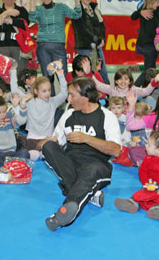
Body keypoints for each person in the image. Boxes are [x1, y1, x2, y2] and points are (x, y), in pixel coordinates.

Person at [42, 77, 121, 231]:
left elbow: (116, 150)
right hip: (71, 164)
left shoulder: (107, 116)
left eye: (72, 95)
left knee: (91, 172)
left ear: (86, 97)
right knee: (49, 147)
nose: (68, 98)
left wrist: (87, 139)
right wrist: (52, 140)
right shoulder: (68, 115)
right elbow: (56, 141)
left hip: (96, 165)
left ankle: (62, 214)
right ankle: (90, 195)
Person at [114, 131, 159, 221]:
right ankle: (133, 203)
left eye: (149, 145)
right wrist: (146, 184)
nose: (146, 146)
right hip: (152, 184)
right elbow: (143, 171)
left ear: (158, 150)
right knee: (142, 193)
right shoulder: (148, 158)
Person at [29, 0, 81, 95]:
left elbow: (77, 15)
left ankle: (69, 100)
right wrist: (32, 1)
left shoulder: (61, 7)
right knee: (47, 77)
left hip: (58, 47)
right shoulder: (38, 9)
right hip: (43, 47)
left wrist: (76, 0)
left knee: (63, 75)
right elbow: (31, 18)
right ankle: (49, 105)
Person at [20, 67, 67, 161]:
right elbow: (15, 92)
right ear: (36, 91)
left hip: (47, 138)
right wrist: (13, 72)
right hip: (32, 139)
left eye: (49, 90)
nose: (48, 94)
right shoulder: (30, 101)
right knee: (32, 155)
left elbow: (64, 94)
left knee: (51, 153)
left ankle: (45, 152)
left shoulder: (52, 102)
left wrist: (61, 76)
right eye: (44, 91)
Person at [72, 0, 108, 83]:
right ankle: (90, 96)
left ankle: (107, 96)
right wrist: (98, 40)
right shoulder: (77, 11)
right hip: (85, 46)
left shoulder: (95, 9)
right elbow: (83, 30)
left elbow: (102, 26)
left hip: (98, 46)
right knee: (89, 74)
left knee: (103, 72)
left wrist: (103, 39)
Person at [0, 0, 30, 72]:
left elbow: (25, 24)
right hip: (1, 46)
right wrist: (7, 13)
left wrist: (10, 21)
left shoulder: (22, 10)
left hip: (19, 47)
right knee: (2, 74)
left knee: (20, 74)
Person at [132, 0, 159, 73]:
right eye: (158, 2)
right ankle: (136, 85)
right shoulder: (150, 13)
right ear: (153, 2)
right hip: (149, 45)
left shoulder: (150, 11)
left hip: (149, 45)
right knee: (149, 71)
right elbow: (153, 32)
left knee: (149, 70)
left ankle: (138, 85)